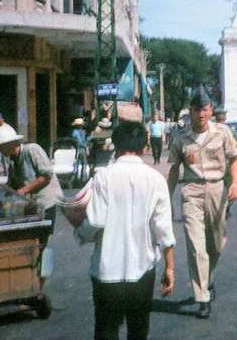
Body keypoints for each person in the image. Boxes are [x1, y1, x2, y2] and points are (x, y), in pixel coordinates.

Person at [73, 120, 175, 339]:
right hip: (142, 271)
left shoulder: (103, 176)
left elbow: (94, 221)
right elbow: (164, 230)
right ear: (145, 147)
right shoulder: (156, 179)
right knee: (138, 331)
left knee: (106, 330)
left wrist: (80, 233)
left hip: (107, 273)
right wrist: (170, 268)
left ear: (115, 146)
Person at [167, 87, 237, 319]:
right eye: (197, 109)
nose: (201, 113)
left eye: (205, 109)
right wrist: (167, 199)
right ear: (191, 111)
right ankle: (202, 297)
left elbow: (234, 158)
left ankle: (208, 278)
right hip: (191, 191)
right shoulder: (180, 138)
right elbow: (173, 170)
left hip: (217, 189)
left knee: (216, 244)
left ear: (210, 110)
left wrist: (235, 183)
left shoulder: (223, 132)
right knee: (196, 246)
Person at [0, 124, 62, 286]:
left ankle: (39, 286)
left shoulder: (32, 150)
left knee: (41, 246)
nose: (0, 150)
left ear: (10, 145)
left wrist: (24, 190)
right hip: (30, 209)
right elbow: (13, 188)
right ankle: (28, 282)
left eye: (1, 147)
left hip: (45, 205)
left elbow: (46, 175)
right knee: (28, 246)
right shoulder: (12, 163)